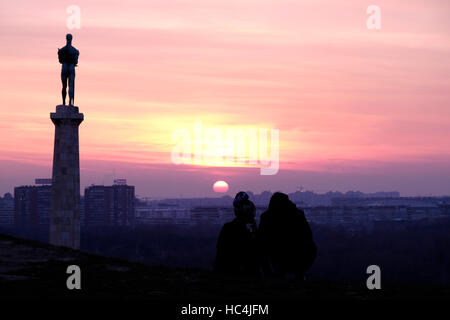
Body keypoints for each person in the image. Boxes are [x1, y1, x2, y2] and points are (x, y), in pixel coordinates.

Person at [258, 192, 317, 280]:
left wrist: (267, 271)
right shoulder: (298, 214)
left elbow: (262, 242)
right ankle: (299, 274)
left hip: (280, 254)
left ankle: (281, 274)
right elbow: (308, 237)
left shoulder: (267, 217)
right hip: (297, 254)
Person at [214, 192, 260, 275]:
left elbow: (221, 250)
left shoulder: (228, 227)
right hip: (248, 270)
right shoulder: (253, 228)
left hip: (231, 270)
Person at [58, 34, 79, 106]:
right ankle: (70, 102)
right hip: (71, 67)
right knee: (71, 85)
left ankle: (63, 102)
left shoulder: (62, 50)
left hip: (64, 66)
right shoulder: (75, 51)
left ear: (66, 38)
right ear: (71, 39)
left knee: (64, 86)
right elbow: (76, 62)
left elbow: (60, 61)